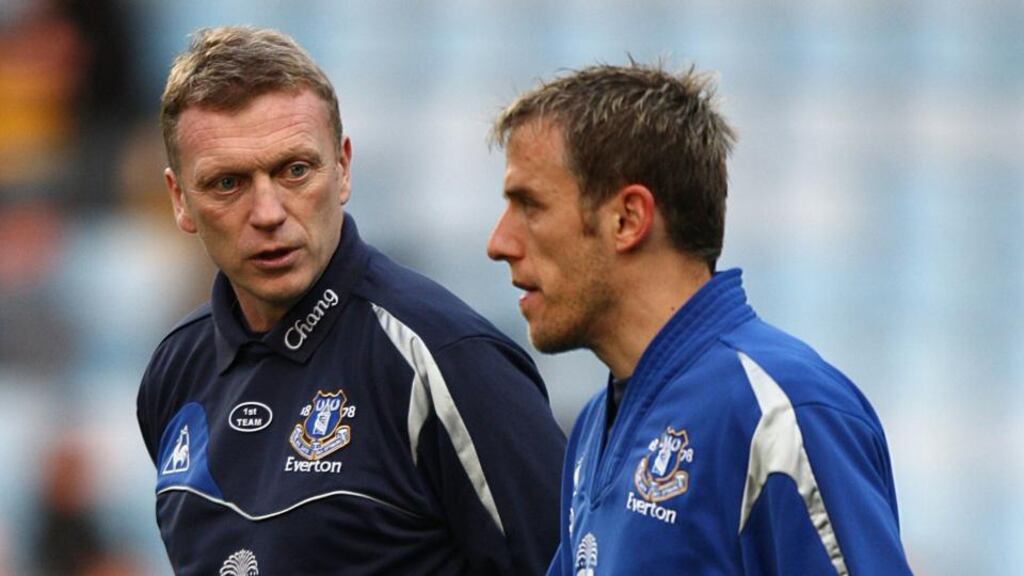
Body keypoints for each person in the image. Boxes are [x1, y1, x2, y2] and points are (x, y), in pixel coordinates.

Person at [136, 26, 564, 575]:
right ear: (179, 200)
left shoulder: (445, 361)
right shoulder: (174, 372)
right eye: (228, 184)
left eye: (295, 171)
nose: (268, 212)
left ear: (342, 168)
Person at [486, 62, 913, 575]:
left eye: (529, 205)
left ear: (628, 219)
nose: (499, 244)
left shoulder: (781, 414)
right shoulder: (593, 428)